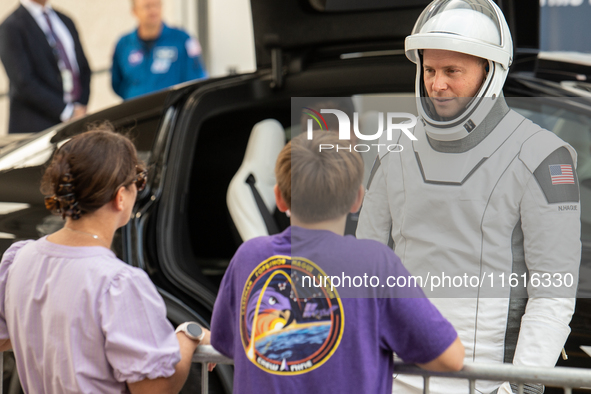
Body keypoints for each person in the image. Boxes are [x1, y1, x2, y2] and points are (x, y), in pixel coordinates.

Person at [356, 0, 581, 393]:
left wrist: (521, 389)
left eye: (452, 71)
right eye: (429, 70)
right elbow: (366, 273)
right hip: (395, 379)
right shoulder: (393, 150)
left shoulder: (543, 155)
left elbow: (552, 294)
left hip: (490, 384)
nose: (436, 84)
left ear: (490, 72)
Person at [210, 131, 464, 394]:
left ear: (279, 197)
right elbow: (450, 357)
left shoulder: (248, 257)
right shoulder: (374, 263)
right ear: (358, 199)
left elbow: (226, 341)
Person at [0, 124, 211, 393]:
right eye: (139, 180)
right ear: (120, 197)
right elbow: (155, 388)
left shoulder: (19, 260)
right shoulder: (119, 283)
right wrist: (188, 335)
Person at [0, 0, 91, 134]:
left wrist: (80, 106)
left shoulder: (65, 20)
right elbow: (24, 82)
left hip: (75, 123)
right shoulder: (11, 27)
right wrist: (67, 112)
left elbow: (83, 68)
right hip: (37, 129)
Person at [112, 0, 207, 100]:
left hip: (172, 110)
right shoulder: (124, 44)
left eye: (156, 5)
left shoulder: (182, 40)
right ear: (134, 11)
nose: (153, 10)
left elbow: (196, 80)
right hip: (135, 111)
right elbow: (117, 83)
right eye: (147, 6)